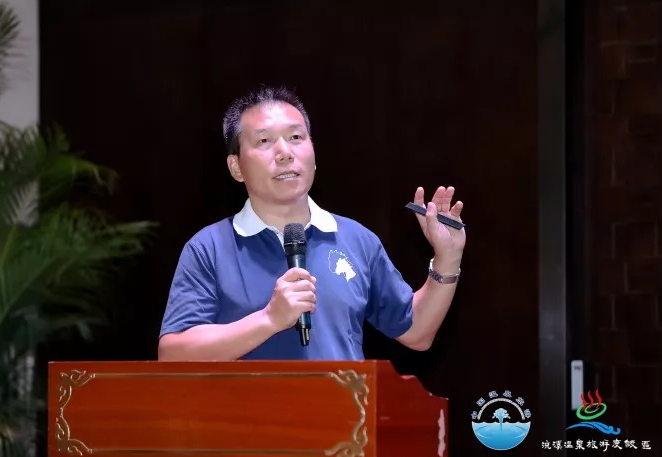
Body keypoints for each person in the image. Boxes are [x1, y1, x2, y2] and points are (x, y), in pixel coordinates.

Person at [158, 86, 466, 361]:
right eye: (264, 141)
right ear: (236, 167)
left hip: (342, 409)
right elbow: (173, 354)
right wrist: (268, 319)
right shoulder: (209, 248)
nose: (285, 153)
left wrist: (448, 258)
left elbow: (417, 332)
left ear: (314, 155)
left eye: (296, 137)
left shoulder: (356, 239)